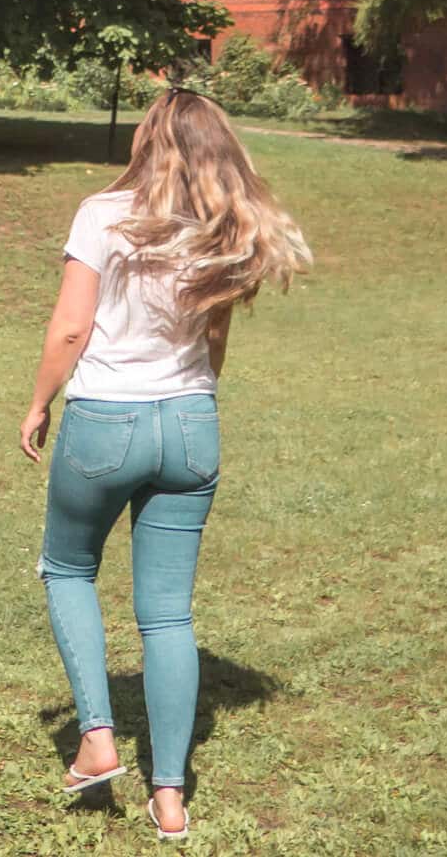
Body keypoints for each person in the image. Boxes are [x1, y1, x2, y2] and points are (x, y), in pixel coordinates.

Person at [20, 87, 312, 841]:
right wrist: (189, 403)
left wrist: (38, 402)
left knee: (69, 569)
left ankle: (96, 739)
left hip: (106, 422)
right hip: (190, 424)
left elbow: (71, 326)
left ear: (148, 139)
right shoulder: (222, 226)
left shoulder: (102, 212)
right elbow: (213, 345)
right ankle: (171, 797)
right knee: (169, 614)